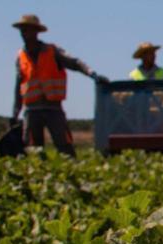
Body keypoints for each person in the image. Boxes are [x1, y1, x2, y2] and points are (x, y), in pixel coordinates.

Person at [10, 14, 107, 156]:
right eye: (22, 30)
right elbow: (18, 86)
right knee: (33, 151)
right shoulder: (20, 57)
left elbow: (75, 63)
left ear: (36, 31)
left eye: (27, 30)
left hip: (53, 108)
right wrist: (15, 113)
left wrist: (93, 74)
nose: (24, 34)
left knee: (65, 147)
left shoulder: (52, 51)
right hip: (31, 111)